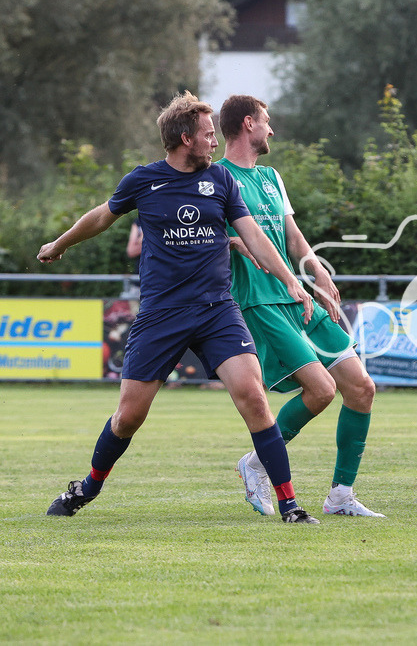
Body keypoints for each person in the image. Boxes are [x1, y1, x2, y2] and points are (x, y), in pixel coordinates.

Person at [38, 91, 320, 524]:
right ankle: (88, 487)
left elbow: (256, 239)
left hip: (216, 311)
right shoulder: (144, 180)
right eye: (208, 136)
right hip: (162, 314)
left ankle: (289, 504)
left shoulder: (222, 182)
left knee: (254, 399)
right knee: (128, 417)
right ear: (185, 138)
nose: (214, 142)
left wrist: (291, 280)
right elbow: (100, 216)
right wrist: (59, 244)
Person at [217, 94, 383, 518]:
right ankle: (256, 464)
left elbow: (293, 237)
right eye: (267, 122)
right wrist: (231, 241)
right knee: (322, 390)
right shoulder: (216, 178)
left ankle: (341, 495)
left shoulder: (272, 177)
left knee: (361, 388)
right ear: (249, 124)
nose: (272, 130)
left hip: (298, 298)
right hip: (259, 301)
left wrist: (318, 272)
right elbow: (201, 237)